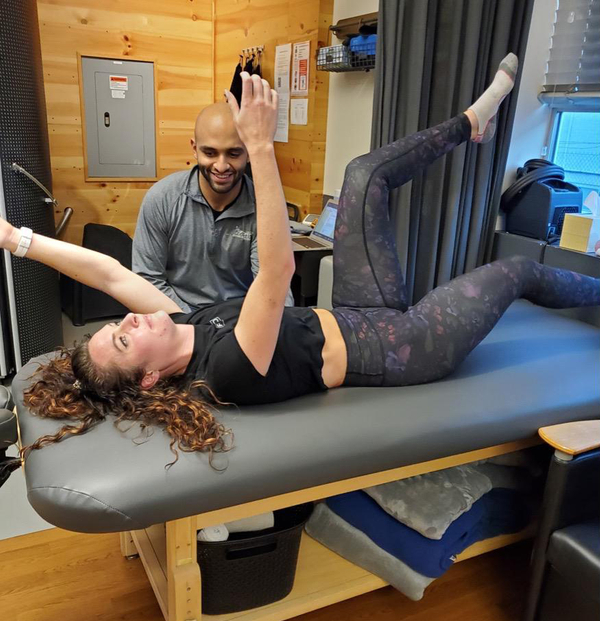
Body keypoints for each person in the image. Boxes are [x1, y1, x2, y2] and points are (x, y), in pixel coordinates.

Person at [4, 58, 600, 467]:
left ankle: (473, 121)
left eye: (117, 325)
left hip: (355, 311)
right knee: (516, 272)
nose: (130, 321)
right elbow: (277, 271)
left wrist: (14, 238)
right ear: (152, 378)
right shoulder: (225, 370)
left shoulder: (182, 325)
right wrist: (260, 146)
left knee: (363, 178)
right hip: (404, 347)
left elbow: (109, 274)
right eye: (126, 341)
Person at [132, 100, 294, 311]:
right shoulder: (163, 198)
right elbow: (147, 280)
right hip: (176, 316)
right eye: (210, 153)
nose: (221, 165)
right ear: (194, 148)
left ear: (248, 153)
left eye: (234, 153)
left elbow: (274, 286)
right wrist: (196, 327)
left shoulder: (263, 207)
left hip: (240, 321)